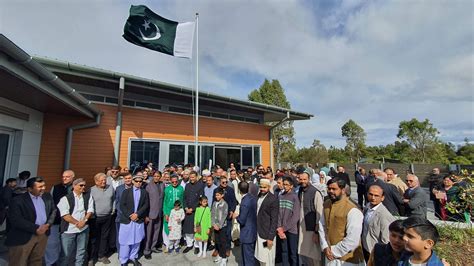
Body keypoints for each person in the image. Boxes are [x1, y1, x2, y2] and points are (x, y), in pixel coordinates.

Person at [5, 177, 56, 266]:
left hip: (43, 234)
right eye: (40, 187)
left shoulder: (47, 196)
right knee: (18, 262)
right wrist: (36, 228)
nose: (43, 188)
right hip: (23, 236)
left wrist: (48, 224)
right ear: (29, 189)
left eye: (44, 186)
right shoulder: (18, 200)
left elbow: (53, 211)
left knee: (36, 260)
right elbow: (16, 219)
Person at [321, 178, 365, 266]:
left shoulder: (352, 209)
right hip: (330, 256)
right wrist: (325, 246)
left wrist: (333, 251)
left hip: (348, 259)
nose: (331, 191)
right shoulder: (326, 204)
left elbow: (352, 239)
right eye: (329, 189)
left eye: (334, 189)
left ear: (343, 190)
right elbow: (322, 227)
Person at [57, 178, 94, 266]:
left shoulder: (88, 196)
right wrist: (77, 223)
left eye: (84, 185)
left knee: (81, 253)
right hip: (69, 230)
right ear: (74, 186)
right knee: (66, 254)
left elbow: (90, 210)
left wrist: (84, 221)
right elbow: (65, 215)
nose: (83, 187)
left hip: (83, 229)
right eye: (81, 185)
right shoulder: (65, 199)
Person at [118, 175, 149, 266]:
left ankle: (133, 257)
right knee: (125, 241)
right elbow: (122, 205)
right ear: (133, 182)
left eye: (140, 181)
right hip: (128, 220)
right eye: (137, 181)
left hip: (138, 219)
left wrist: (137, 214)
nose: (138, 183)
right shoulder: (126, 192)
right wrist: (130, 215)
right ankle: (123, 260)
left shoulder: (144, 192)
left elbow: (146, 205)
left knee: (137, 240)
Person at [45, 170, 74, 266]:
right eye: (63, 176)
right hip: (56, 220)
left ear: (72, 177)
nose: (64, 178)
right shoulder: (56, 187)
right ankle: (51, 262)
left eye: (67, 177)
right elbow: (51, 203)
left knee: (65, 244)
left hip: (70, 221)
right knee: (52, 243)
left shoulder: (76, 187)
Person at [297, 170, 325, 266]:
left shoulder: (315, 192)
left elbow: (319, 214)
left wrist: (317, 232)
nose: (303, 181)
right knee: (305, 253)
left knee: (314, 255)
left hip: (312, 229)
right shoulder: (300, 190)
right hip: (302, 228)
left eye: (305, 179)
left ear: (309, 179)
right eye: (301, 179)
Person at [362, 184, 395, 262]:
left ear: (382, 198)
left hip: (375, 253)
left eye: (376, 195)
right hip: (366, 249)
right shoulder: (367, 207)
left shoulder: (384, 214)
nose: (373, 198)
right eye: (371, 194)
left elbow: (386, 239)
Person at [89, 172, 115, 264]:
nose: (104, 182)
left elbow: (114, 199)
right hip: (95, 218)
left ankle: (101, 255)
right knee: (93, 238)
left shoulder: (110, 188)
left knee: (104, 237)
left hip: (107, 217)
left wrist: (113, 209)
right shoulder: (91, 190)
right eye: (101, 180)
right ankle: (91, 258)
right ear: (96, 181)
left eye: (105, 180)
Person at [254, 178, 279, 266]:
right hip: (259, 232)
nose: (262, 189)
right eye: (261, 187)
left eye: (264, 187)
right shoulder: (258, 196)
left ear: (269, 187)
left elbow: (274, 220)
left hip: (267, 234)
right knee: (261, 257)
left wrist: (270, 238)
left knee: (268, 257)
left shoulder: (273, 199)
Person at [277, 176, 300, 266]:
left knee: (293, 253)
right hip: (281, 230)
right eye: (284, 184)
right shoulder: (280, 196)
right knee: (284, 251)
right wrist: (279, 227)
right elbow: (278, 213)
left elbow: (296, 216)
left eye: (287, 185)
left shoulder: (294, 197)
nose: (285, 186)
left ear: (291, 186)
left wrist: (284, 228)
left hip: (291, 230)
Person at [212, 175, 237, 257]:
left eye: (226, 182)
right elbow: (213, 202)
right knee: (217, 234)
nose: (225, 183)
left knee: (227, 233)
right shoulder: (216, 190)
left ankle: (227, 248)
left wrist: (232, 211)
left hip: (228, 215)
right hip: (218, 215)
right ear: (220, 182)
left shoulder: (230, 190)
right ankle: (217, 249)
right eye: (223, 182)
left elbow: (233, 201)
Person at [143, 171, 165, 259]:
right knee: (149, 233)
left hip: (159, 213)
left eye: (158, 176)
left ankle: (153, 247)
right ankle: (146, 250)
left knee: (156, 231)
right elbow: (146, 201)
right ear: (152, 176)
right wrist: (146, 215)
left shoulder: (162, 185)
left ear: (160, 177)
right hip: (150, 213)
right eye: (155, 176)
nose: (156, 177)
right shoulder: (148, 186)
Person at [235, 181, 257, 266]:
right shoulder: (252, 198)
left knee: (248, 257)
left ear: (239, 190)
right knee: (251, 256)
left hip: (247, 233)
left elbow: (242, 220)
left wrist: (236, 216)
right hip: (253, 230)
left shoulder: (244, 202)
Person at [182, 170, 205, 254]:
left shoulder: (200, 185)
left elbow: (200, 199)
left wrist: (193, 208)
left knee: (197, 229)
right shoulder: (187, 186)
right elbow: (184, 198)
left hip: (196, 211)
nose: (191, 179)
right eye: (190, 177)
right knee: (188, 229)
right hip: (187, 211)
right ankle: (189, 245)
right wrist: (186, 207)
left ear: (196, 177)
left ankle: (197, 246)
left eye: (193, 177)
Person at [162, 174, 184, 252]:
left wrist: (182, 212)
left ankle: (176, 245)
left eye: (176, 181)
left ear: (178, 181)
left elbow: (182, 201)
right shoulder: (167, 189)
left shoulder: (181, 188)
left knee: (177, 228)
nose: (174, 183)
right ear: (170, 181)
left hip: (178, 212)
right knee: (168, 228)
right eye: (173, 181)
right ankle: (168, 244)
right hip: (168, 211)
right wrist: (165, 213)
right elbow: (165, 202)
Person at [114, 172, 133, 251]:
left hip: (132, 217)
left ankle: (130, 252)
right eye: (126, 178)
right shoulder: (119, 188)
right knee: (120, 235)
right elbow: (117, 202)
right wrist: (122, 212)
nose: (128, 180)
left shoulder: (135, 188)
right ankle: (120, 251)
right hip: (121, 216)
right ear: (123, 180)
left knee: (130, 236)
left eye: (129, 178)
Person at [212, 188, 229, 265]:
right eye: (216, 195)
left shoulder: (224, 204)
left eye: (218, 195)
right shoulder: (214, 203)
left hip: (222, 226)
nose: (217, 196)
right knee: (218, 242)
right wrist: (213, 224)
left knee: (223, 242)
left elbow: (224, 215)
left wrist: (219, 225)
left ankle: (224, 258)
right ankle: (220, 255)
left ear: (222, 195)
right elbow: (212, 214)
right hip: (215, 226)